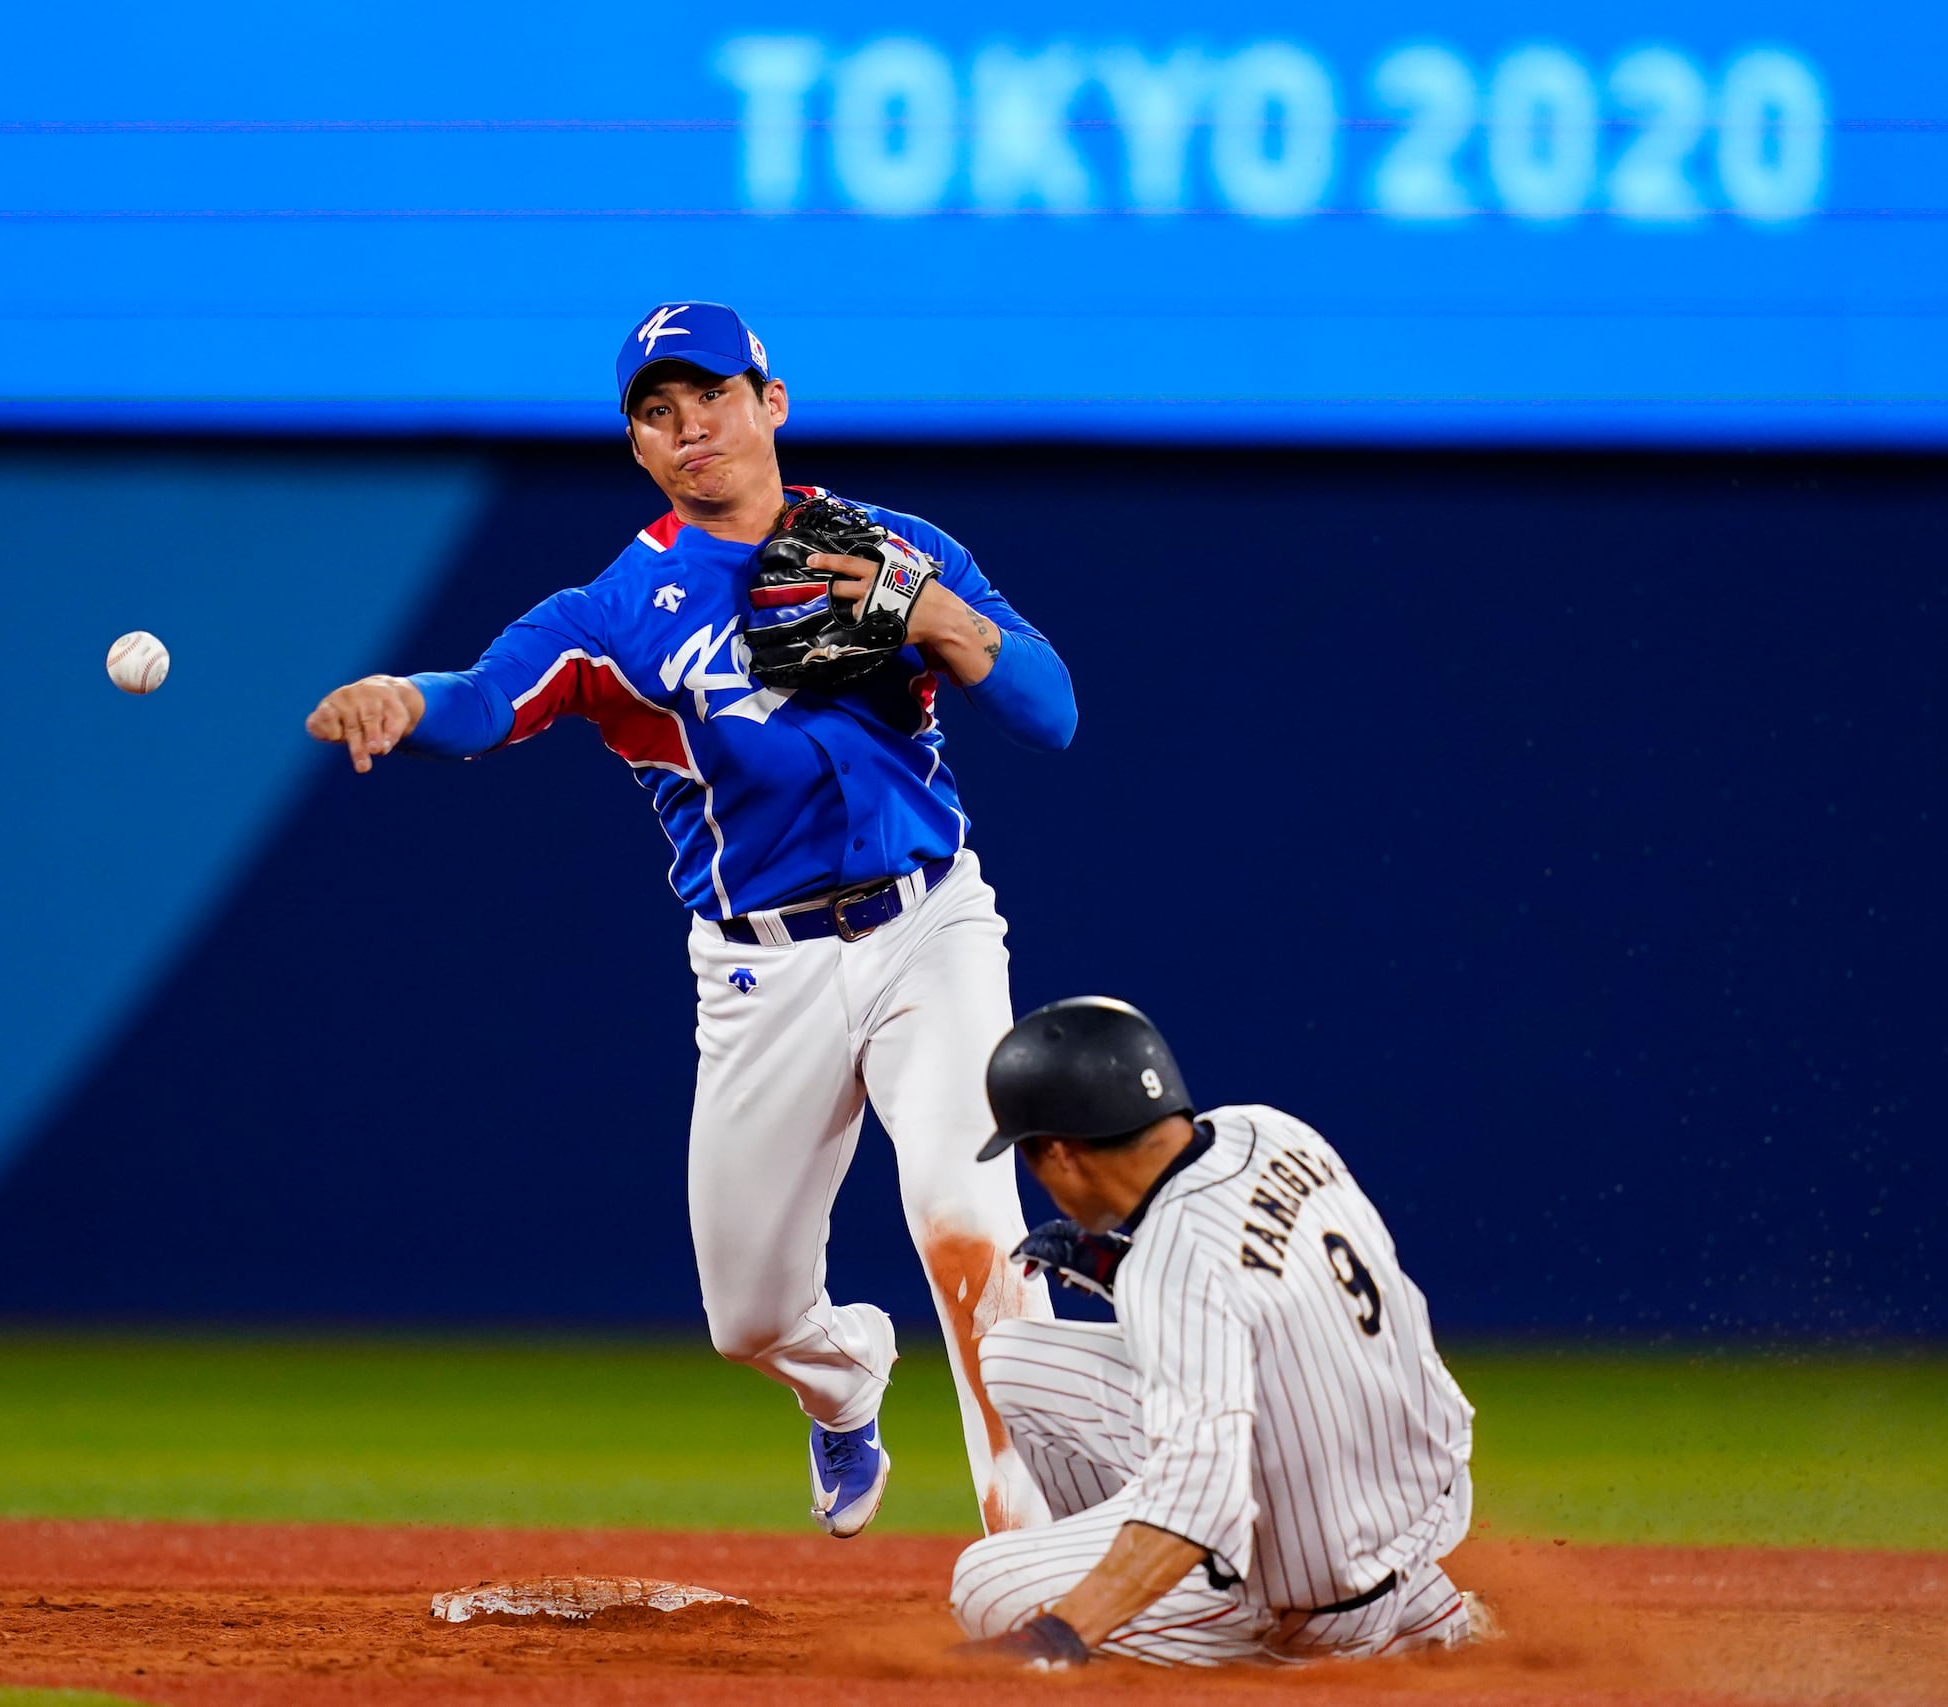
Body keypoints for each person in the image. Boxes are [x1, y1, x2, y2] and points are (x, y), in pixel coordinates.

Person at [302, 301, 1072, 1537]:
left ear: (772, 404)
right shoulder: (614, 613)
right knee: (749, 1319)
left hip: (931, 931)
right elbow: (486, 700)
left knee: (969, 1224)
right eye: (657, 413)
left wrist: (936, 616)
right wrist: (404, 695)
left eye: (711, 395)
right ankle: (843, 1384)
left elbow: (1052, 714)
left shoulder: (898, 547)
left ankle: (1038, 1558)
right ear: (639, 448)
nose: (689, 425)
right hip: (762, 972)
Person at [948, 998, 1479, 1666]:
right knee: (1015, 1358)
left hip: (1322, 1592)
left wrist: (1062, 1633)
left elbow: (1200, 1498)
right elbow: (1270, 1286)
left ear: (1059, 1152)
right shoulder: (1269, 1130)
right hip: (1413, 1488)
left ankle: (1347, 1631)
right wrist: (1121, 1265)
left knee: (984, 1586)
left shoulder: (1174, 1263)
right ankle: (1411, 1590)